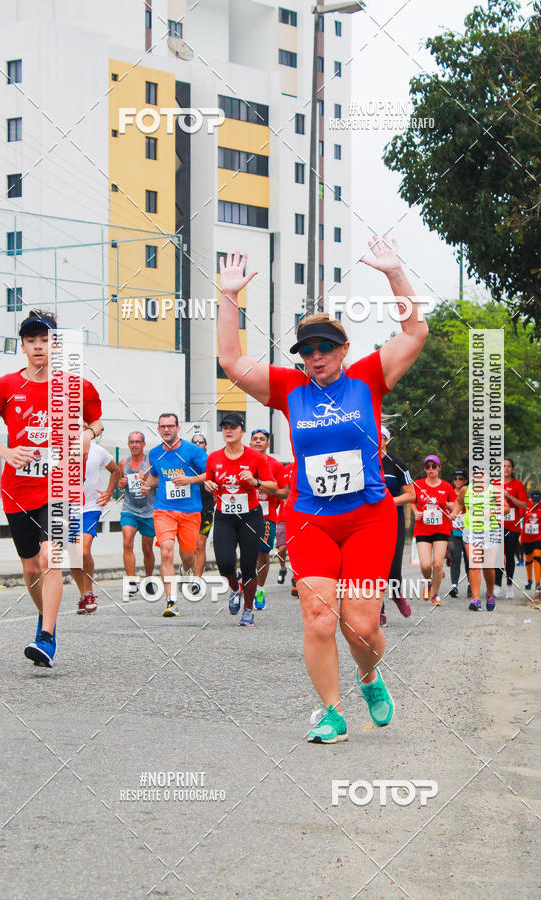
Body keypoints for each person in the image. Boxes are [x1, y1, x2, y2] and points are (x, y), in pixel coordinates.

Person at [217, 240, 428, 744]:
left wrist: (395, 273)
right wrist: (229, 297)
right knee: (317, 616)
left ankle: (370, 676)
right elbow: (230, 360)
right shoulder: (290, 389)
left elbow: (415, 330)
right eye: (306, 350)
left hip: (368, 518)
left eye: (323, 348)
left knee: (361, 625)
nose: (314, 357)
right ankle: (332, 711)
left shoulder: (367, 378)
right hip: (310, 517)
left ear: (343, 350)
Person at [0, 309, 103, 667]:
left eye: (44, 340)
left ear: (56, 345)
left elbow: (96, 420)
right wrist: (6, 451)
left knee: (52, 559)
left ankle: (47, 638)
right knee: (31, 568)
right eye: (30, 341)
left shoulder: (75, 386)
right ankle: (43, 619)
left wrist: (86, 435)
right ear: (22, 346)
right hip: (17, 489)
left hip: (60, 486)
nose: (38, 347)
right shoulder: (6, 386)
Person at [205, 414, 275, 626]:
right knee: (224, 563)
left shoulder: (255, 457)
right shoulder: (214, 457)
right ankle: (235, 588)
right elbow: (209, 480)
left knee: (248, 565)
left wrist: (255, 481)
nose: (228, 430)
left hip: (250, 516)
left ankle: (248, 609)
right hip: (225, 516)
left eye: (233, 427)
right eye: (225, 427)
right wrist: (208, 485)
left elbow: (272, 485)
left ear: (241, 431)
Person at [143, 413, 207, 617]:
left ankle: (186, 570)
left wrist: (188, 480)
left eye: (170, 426)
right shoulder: (154, 453)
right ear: (158, 429)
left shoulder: (193, 451)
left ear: (178, 428)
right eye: (162, 426)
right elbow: (156, 479)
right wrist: (146, 486)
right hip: (163, 509)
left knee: (188, 556)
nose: (166, 430)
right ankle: (171, 602)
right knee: (166, 551)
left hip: (190, 511)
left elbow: (210, 474)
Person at [70, 442, 119, 613]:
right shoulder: (60, 447)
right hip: (68, 508)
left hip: (91, 507)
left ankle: (89, 591)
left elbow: (116, 470)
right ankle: (83, 595)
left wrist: (109, 492)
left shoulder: (97, 450)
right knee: (73, 554)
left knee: (83, 550)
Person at [451, 472, 507, 611]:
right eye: (475, 474)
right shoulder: (466, 489)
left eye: (482, 474)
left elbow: (506, 508)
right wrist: (455, 512)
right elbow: (459, 502)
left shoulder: (494, 490)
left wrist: (493, 511)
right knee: (474, 564)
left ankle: (489, 594)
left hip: (490, 531)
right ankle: (476, 599)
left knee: (488, 567)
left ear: (488, 476)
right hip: (471, 530)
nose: (478, 477)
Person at [379, 425, 415, 623]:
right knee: (373, 564)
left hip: (394, 519)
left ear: (387, 440)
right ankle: (379, 609)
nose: (377, 440)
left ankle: (396, 593)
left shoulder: (397, 463)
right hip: (370, 521)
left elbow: (411, 495)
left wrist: (387, 502)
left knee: (393, 564)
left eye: (381, 437)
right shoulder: (364, 461)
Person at [411, 455, 456, 607]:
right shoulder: (418, 485)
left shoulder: (447, 486)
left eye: (433, 466)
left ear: (439, 468)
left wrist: (453, 512)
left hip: (441, 528)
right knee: (425, 565)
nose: (430, 469)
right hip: (422, 528)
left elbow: (456, 503)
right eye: (427, 466)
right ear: (425, 469)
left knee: (437, 564)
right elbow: (411, 500)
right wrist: (414, 511)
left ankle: (435, 595)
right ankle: (428, 581)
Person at [249, 428, 286, 610]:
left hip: (266, 515)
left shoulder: (276, 465)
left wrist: (267, 490)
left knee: (263, 554)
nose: (257, 442)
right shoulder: (242, 462)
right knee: (247, 554)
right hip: (244, 515)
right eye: (254, 439)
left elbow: (283, 492)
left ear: (268, 444)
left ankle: (260, 590)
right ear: (249, 443)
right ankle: (246, 582)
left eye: (261, 439)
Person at [118, 431, 156, 598]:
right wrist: (121, 483)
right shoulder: (123, 463)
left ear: (143, 444)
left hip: (148, 511)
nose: (134, 445)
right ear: (128, 444)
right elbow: (120, 484)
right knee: (127, 543)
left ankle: (148, 579)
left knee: (147, 549)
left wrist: (147, 481)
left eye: (138, 442)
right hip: (129, 509)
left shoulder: (150, 462)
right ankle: (132, 582)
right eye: (132, 442)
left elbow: (158, 482)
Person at [493, 458, 527, 600]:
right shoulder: (494, 485)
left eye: (508, 466)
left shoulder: (518, 485)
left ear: (512, 469)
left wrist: (509, 496)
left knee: (510, 556)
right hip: (497, 525)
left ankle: (509, 586)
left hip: (512, 526)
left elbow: (524, 506)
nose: (506, 469)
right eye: (503, 466)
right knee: (497, 556)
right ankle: (497, 586)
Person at [191, 433, 215, 583]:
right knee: (188, 547)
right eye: (195, 442)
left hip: (206, 510)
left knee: (200, 545)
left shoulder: (211, 462)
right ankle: (186, 567)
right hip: (188, 510)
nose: (198, 444)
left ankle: (197, 580)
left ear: (205, 445)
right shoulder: (186, 463)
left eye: (201, 442)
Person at [521, 489, 541, 600]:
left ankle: (537, 582)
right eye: (534, 500)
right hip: (526, 536)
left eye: (538, 500)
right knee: (528, 559)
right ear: (530, 498)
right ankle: (529, 580)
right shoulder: (525, 505)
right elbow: (519, 518)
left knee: (537, 557)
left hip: (539, 536)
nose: (535, 502)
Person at [447, 469, 470, 598]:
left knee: (468, 559)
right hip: (453, 530)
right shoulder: (449, 491)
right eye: (455, 478)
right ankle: (454, 586)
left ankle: (470, 585)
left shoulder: (468, 492)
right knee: (455, 558)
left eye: (460, 479)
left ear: (465, 480)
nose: (457, 481)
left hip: (467, 529)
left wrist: (454, 506)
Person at [275, 461, 295, 587]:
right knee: (282, 548)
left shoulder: (305, 466)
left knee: (296, 548)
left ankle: (295, 576)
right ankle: (283, 568)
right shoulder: (286, 469)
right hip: (283, 517)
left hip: (299, 517)